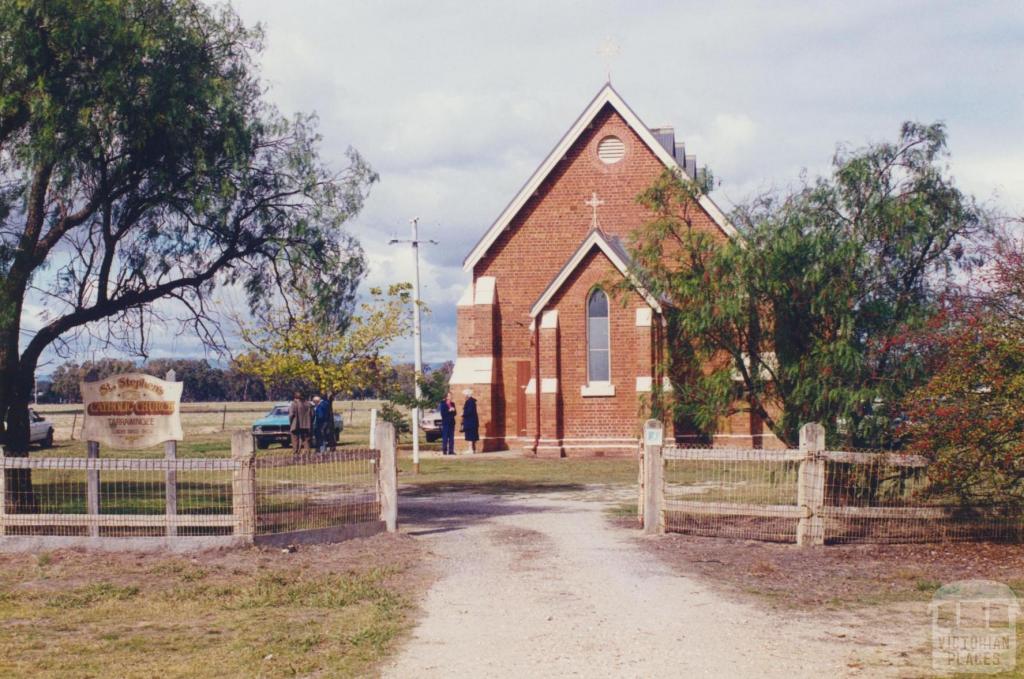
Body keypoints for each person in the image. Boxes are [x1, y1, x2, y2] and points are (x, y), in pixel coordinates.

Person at [289, 391, 312, 457]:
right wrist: (309, 422)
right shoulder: (308, 404)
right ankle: (308, 453)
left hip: (295, 425)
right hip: (306, 425)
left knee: (295, 440)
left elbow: (291, 415)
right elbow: (312, 415)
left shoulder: (294, 404)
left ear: (295, 397)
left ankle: (296, 453)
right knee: (306, 440)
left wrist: (291, 423)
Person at [461, 388, 479, 454]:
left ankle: (470, 449)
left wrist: (463, 414)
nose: (464, 396)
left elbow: (469, 411)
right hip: (471, 421)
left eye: (465, 395)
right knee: (470, 435)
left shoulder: (470, 402)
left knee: (470, 435)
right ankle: (471, 449)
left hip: (470, 422)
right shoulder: (471, 401)